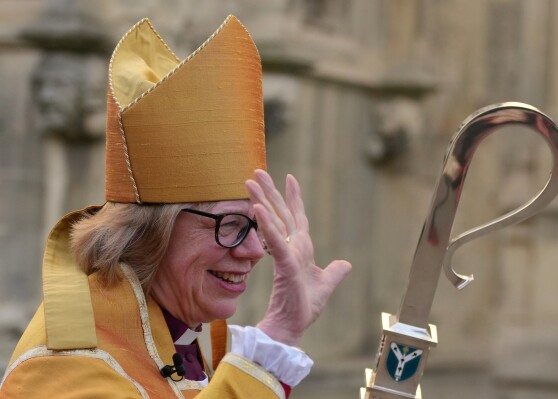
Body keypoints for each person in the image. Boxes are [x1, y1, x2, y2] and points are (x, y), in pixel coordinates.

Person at [0, 15, 351, 399]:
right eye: (231, 224)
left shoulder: (186, 336)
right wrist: (277, 336)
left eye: (258, 229)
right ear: (152, 228)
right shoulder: (64, 366)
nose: (253, 252)